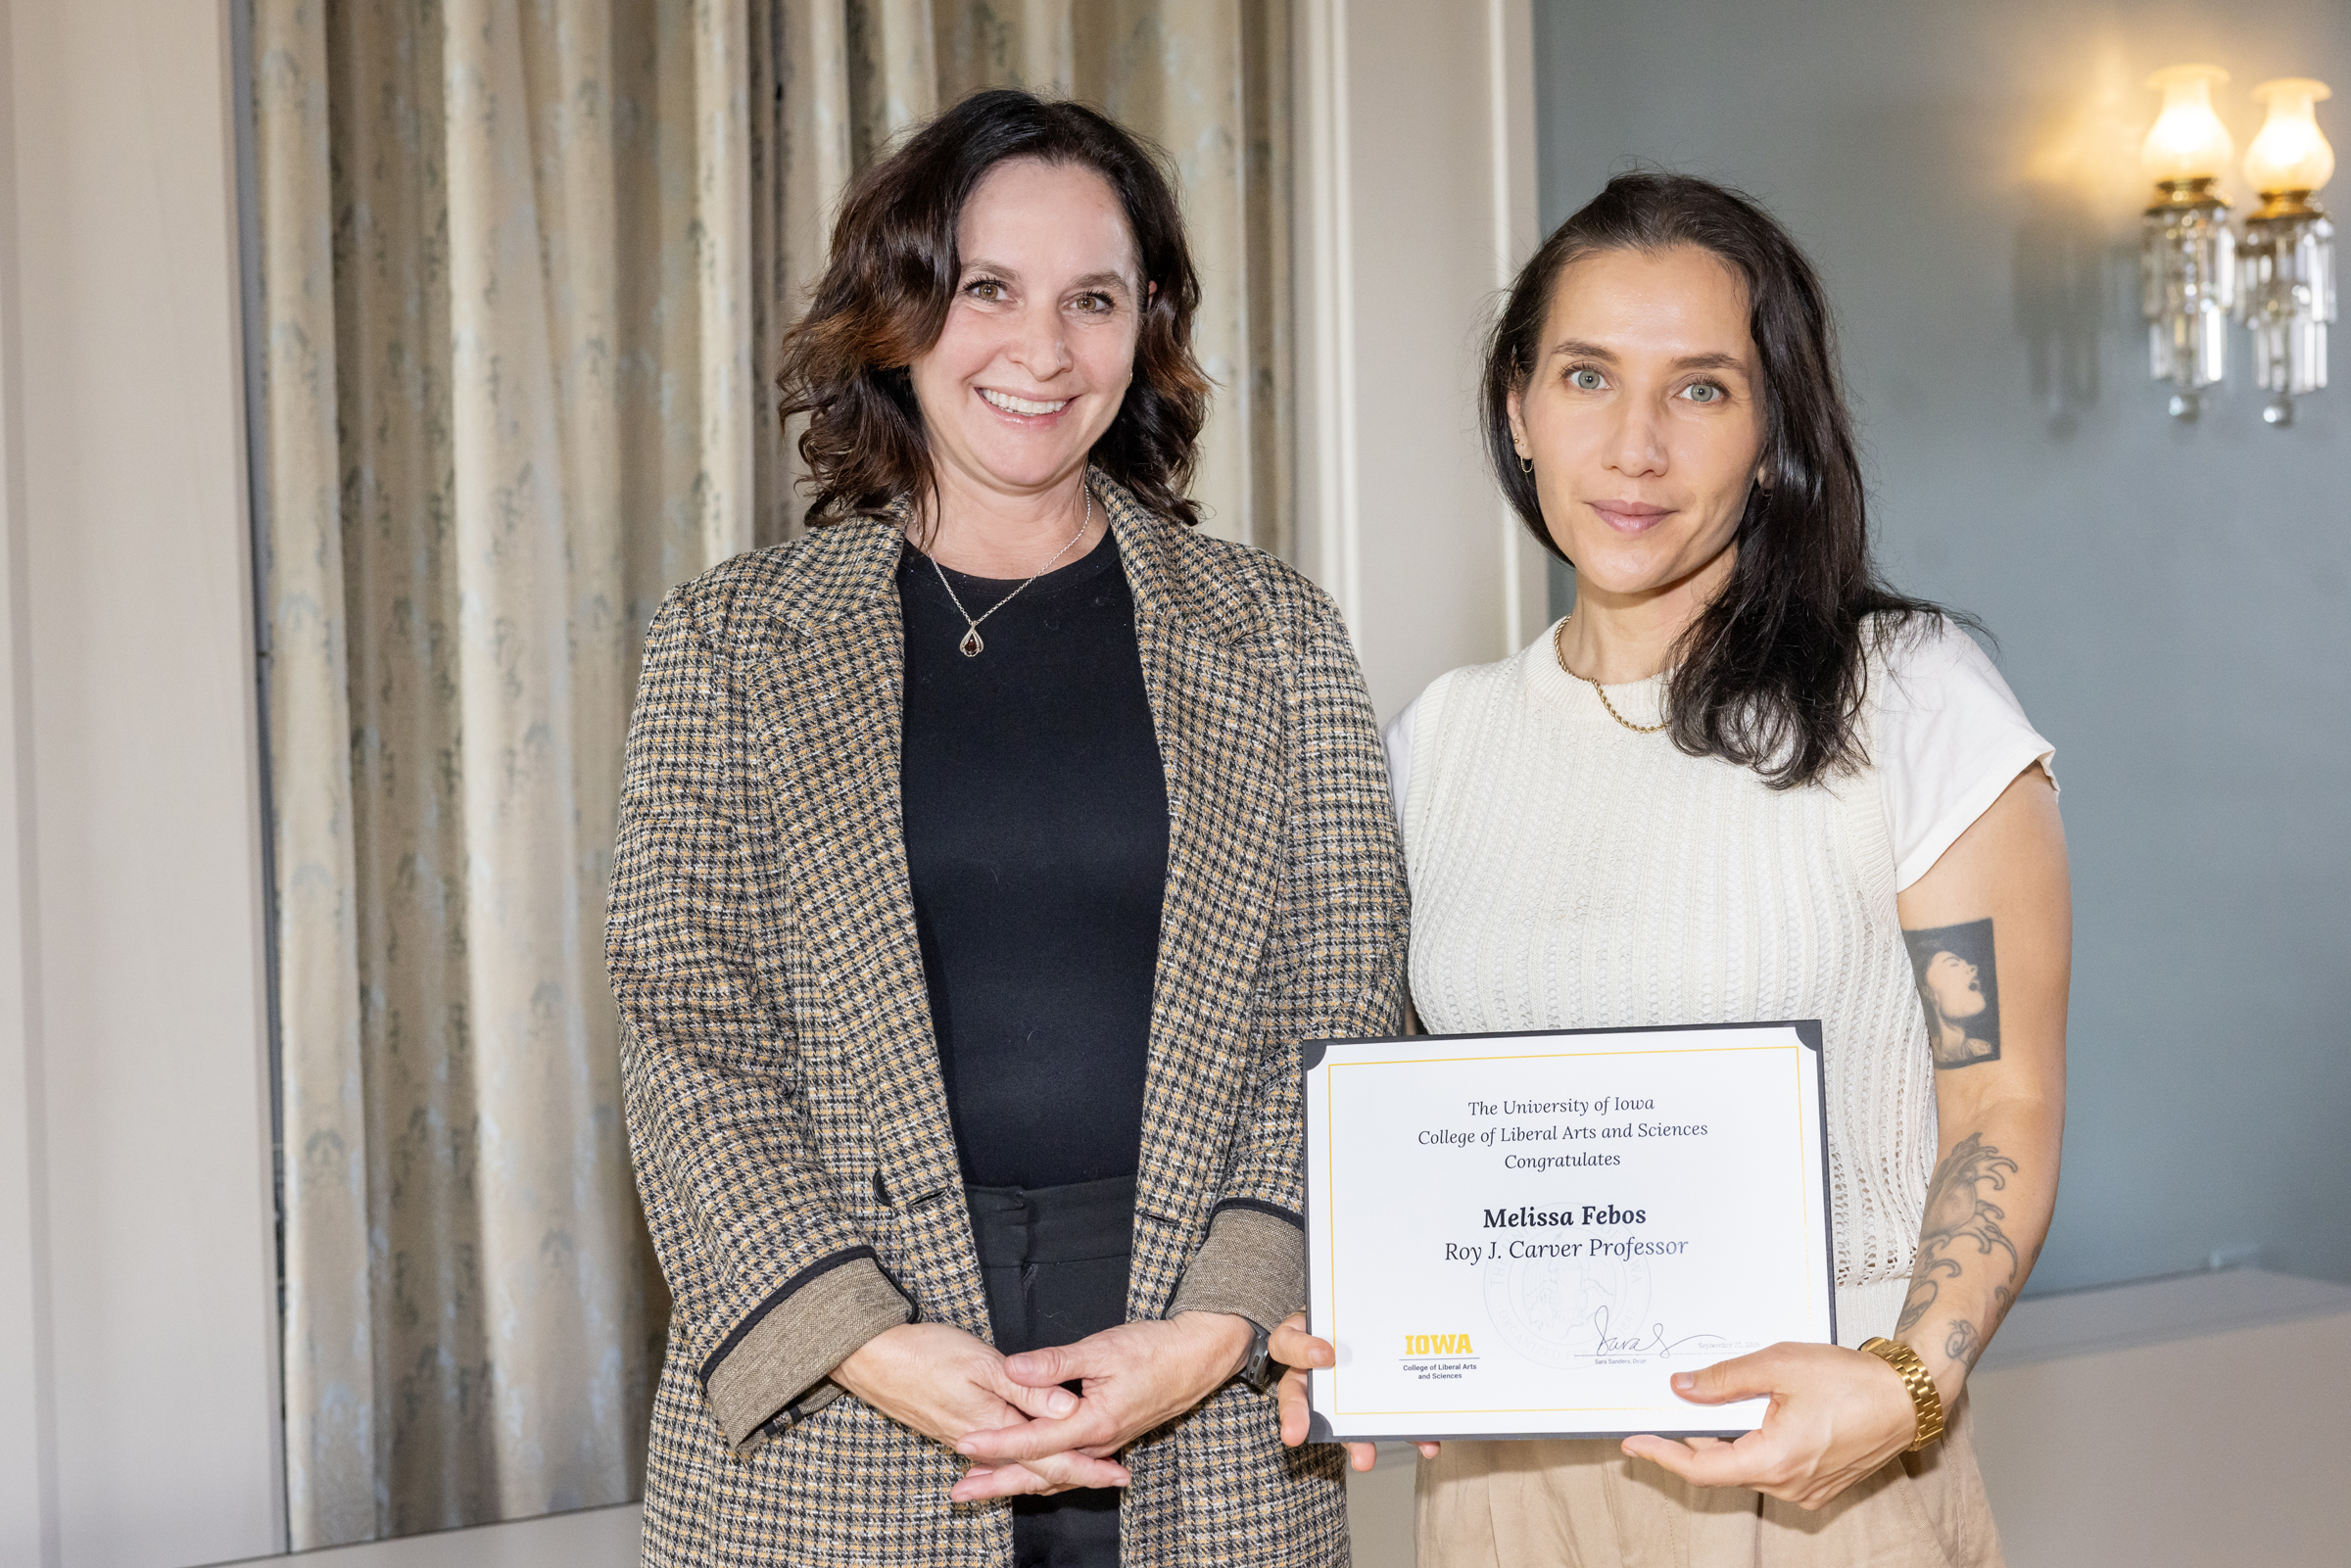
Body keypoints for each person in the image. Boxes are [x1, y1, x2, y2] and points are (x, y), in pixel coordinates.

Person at [606, 89, 1404, 1567]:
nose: (1042, 350)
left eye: (1092, 299)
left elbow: (1340, 1007)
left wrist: (1219, 1322)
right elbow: (686, 1020)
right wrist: (866, 1336)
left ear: (1147, 323)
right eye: (989, 290)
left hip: (1197, 1398)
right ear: (901, 309)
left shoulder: (1276, 632)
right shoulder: (729, 638)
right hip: (843, 1404)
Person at [1272, 172, 2068, 1566]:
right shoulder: (1437, 742)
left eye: (1699, 389)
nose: (1633, 446)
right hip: (1504, 1491)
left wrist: (1908, 1381)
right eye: (1587, 377)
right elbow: (1404, 1124)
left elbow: (2000, 1097)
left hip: (1821, 1473)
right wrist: (1362, 1323)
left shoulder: (1916, 698)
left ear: (1773, 435)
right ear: (1519, 410)